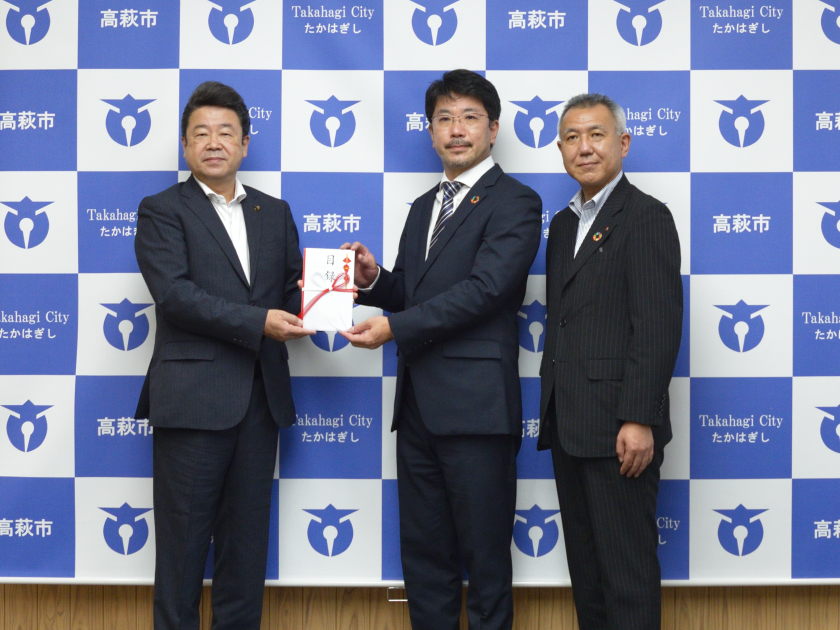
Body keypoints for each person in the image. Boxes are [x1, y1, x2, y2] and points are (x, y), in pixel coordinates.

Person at [340, 69, 542, 630]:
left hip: (478, 409)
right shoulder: (425, 204)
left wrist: (394, 328)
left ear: (493, 129)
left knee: (486, 566)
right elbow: (415, 290)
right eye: (444, 119)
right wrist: (376, 280)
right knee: (425, 565)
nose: (456, 130)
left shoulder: (517, 202)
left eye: (470, 118)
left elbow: (486, 291)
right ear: (430, 131)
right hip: (417, 411)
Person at [134, 81, 313, 630]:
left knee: (246, 553)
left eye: (226, 132)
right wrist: (259, 323)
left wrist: (328, 292)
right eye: (201, 133)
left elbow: (290, 290)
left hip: (260, 402)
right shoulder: (162, 210)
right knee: (182, 554)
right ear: (185, 145)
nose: (214, 143)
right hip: (192, 402)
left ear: (245, 142)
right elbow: (176, 296)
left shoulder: (274, 212)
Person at [537, 93, 683, 630]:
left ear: (623, 143)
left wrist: (639, 418)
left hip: (621, 430)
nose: (584, 147)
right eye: (572, 138)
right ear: (560, 149)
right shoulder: (562, 225)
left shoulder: (646, 216)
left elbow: (658, 326)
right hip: (569, 424)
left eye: (596, 135)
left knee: (627, 576)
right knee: (589, 577)